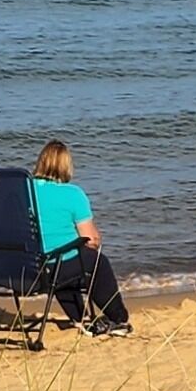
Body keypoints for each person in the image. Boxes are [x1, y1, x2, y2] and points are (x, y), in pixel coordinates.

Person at [30, 137, 132, 335]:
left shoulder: (22, 191)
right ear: (66, 166)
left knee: (67, 259)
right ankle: (118, 318)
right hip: (56, 266)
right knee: (95, 261)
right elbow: (91, 239)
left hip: (27, 268)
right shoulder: (72, 194)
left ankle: (78, 317)